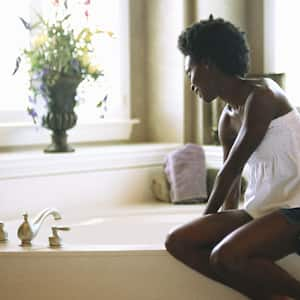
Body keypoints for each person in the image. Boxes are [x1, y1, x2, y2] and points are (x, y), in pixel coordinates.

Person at [165, 15, 300, 300]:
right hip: (263, 208)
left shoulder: (262, 96)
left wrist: (208, 219)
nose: (190, 83)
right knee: (178, 241)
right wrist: (218, 221)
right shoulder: (228, 118)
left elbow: (230, 169)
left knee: (224, 255)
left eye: (190, 72)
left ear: (208, 65)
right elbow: (234, 179)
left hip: (295, 207)